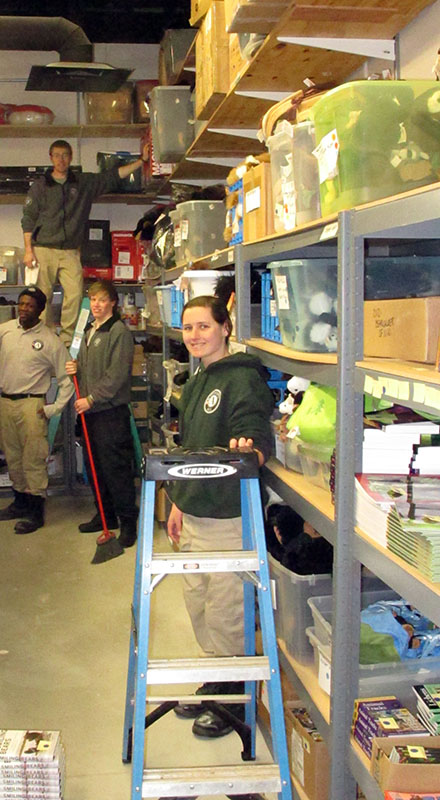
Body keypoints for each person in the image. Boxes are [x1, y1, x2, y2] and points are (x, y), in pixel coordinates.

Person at [167, 295, 275, 739]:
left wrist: (249, 447)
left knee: (227, 609)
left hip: (228, 514)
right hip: (194, 511)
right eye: (188, 328)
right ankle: (218, 678)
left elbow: (256, 436)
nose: (194, 336)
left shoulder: (242, 380)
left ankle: (236, 699)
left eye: (204, 327)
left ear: (225, 328)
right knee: (199, 604)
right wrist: (178, 500)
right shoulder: (196, 382)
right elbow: (190, 447)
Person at [21, 139, 149, 347]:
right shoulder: (40, 186)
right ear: (50, 157)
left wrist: (141, 161)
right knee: (42, 297)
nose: (61, 159)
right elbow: (28, 218)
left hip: (70, 251)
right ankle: (42, 337)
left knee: (76, 295)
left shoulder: (82, 183)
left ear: (70, 157)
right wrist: (28, 251)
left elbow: (113, 176)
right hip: (43, 248)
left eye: (65, 155)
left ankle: (67, 339)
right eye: (57, 155)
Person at [0, 286, 74, 534]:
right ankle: (19, 503)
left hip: (33, 406)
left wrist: (54, 408)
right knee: (13, 457)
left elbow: (67, 380)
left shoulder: (50, 341)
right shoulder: (3, 332)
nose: (23, 309)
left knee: (33, 460)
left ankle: (36, 512)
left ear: (40, 310)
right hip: (6, 403)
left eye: (30, 305)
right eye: (21, 304)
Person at [65, 280, 137, 547]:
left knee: (116, 470)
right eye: (93, 299)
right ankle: (105, 516)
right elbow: (88, 368)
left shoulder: (118, 332)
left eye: (102, 299)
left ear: (113, 303)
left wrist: (91, 399)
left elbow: (116, 375)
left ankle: (129, 523)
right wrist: (76, 368)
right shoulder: (89, 330)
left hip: (109, 413)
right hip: (90, 412)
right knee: (95, 467)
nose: (96, 304)